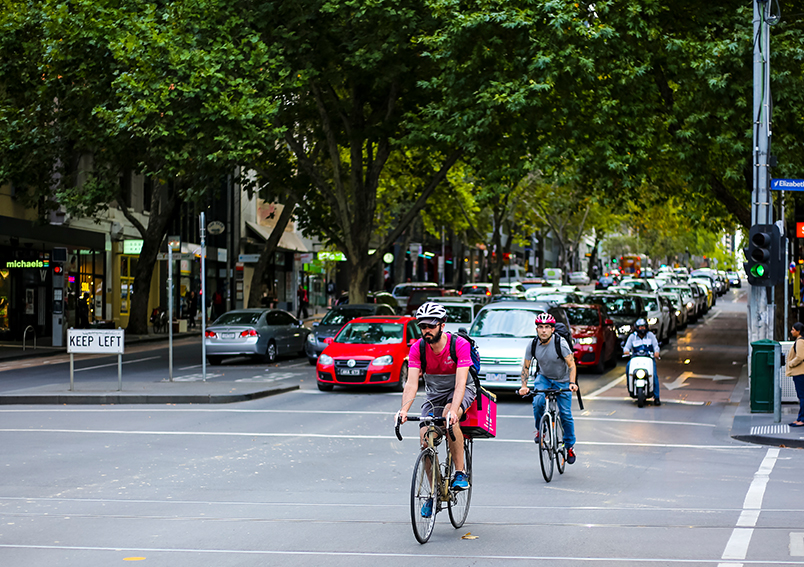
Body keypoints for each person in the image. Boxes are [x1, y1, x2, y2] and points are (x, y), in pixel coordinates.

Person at [397, 302, 475, 516]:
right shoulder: (418, 348)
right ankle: (433, 494)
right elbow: (411, 383)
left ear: (442, 324)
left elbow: (461, 383)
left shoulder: (458, 345)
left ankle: (460, 472)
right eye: (423, 326)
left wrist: (454, 410)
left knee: (448, 418)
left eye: (431, 325)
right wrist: (403, 410)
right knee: (425, 439)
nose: (426, 330)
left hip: (461, 389)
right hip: (434, 395)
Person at [517, 312, 579, 464]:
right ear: (536, 329)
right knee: (538, 402)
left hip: (563, 380)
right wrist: (524, 386)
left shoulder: (560, 343)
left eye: (547, 327)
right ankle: (541, 430)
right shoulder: (532, 344)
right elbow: (526, 366)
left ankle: (569, 446)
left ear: (552, 329)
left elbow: (571, 364)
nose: (543, 330)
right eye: (540, 327)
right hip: (544, 378)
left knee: (565, 414)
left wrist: (572, 383)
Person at [623, 317, 661, 406]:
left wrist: (656, 352)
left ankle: (656, 397)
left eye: (643, 326)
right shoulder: (632, 337)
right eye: (640, 327)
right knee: (628, 369)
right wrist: (626, 351)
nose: (642, 328)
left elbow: (656, 346)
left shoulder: (651, 335)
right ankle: (630, 388)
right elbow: (626, 347)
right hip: (635, 359)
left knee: (654, 375)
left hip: (649, 359)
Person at [786, 322, 804, 427]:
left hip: (800, 373)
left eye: (793, 330)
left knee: (802, 396)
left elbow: (800, 357)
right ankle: (800, 418)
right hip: (801, 372)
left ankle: (802, 419)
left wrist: (790, 364)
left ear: (798, 331)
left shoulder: (800, 342)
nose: (791, 331)